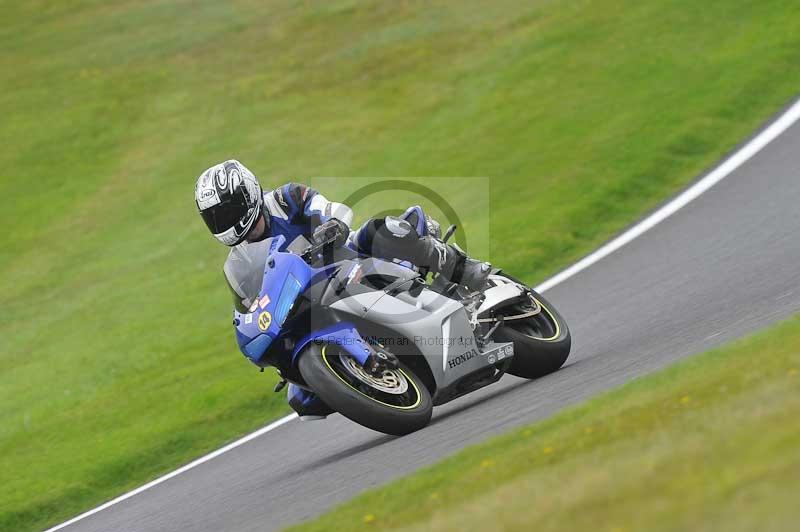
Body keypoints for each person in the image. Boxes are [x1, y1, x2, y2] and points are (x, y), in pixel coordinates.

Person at [195, 159, 491, 419]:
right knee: (302, 399)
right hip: (314, 304)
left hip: (350, 263)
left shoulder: (285, 199)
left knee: (379, 231)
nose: (225, 222)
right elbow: (251, 300)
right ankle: (374, 376)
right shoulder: (241, 261)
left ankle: (466, 270)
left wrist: (333, 224)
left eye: (228, 211)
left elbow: (334, 209)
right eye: (215, 218)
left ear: (247, 193)